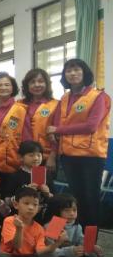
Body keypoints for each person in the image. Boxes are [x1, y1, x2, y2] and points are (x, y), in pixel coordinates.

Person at [47, 59, 111, 228]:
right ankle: (79, 236)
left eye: (76, 69)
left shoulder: (98, 96)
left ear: (85, 73)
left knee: (91, 199)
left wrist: (58, 130)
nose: (72, 73)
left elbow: (91, 126)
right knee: (76, 198)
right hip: (68, 156)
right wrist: (54, 145)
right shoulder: (64, 98)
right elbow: (54, 128)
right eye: (68, 71)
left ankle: (90, 241)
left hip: (91, 156)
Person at [0, 187, 61, 257]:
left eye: (35, 204)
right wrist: (19, 229)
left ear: (38, 208)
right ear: (16, 205)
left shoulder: (39, 228)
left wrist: (57, 243)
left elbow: (40, 251)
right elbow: (17, 246)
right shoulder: (9, 221)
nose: (31, 207)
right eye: (26, 203)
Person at [46, 193, 107, 257]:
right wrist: (69, 252)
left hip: (74, 255)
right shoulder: (53, 226)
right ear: (56, 211)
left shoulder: (77, 226)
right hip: (60, 255)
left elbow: (82, 241)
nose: (72, 213)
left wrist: (92, 247)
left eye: (74, 210)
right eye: (67, 210)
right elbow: (48, 251)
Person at [0, 72, 28, 176]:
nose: (3, 87)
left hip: (10, 160)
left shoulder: (20, 109)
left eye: (7, 85)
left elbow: (27, 137)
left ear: (12, 88)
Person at [2, 140, 53, 222]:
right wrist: (24, 191)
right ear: (21, 157)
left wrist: (48, 193)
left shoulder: (47, 174)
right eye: (31, 155)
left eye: (39, 155)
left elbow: (54, 199)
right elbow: (7, 201)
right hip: (20, 218)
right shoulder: (15, 176)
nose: (36, 158)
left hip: (42, 217)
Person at [20, 68, 59, 163]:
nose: (37, 85)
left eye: (41, 81)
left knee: (39, 174)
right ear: (27, 85)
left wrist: (52, 156)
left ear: (47, 84)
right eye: (32, 82)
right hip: (22, 155)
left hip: (43, 156)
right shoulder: (19, 104)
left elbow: (57, 135)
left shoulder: (56, 105)